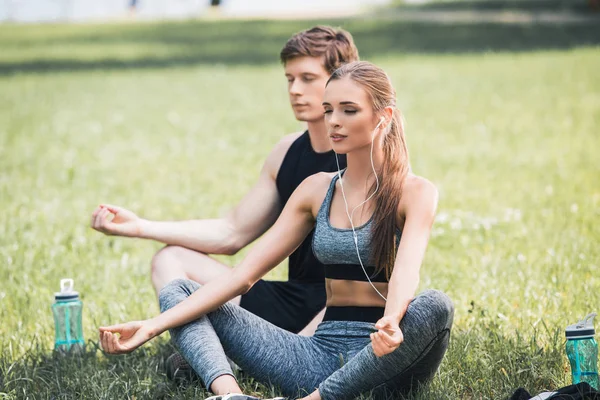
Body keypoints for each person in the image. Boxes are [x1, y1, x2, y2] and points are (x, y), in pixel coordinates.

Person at [99, 61, 455, 400]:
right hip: (316, 357)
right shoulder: (316, 190)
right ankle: (231, 394)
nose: (334, 121)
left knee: (435, 305)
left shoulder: (415, 192)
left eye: (349, 110)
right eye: (329, 109)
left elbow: (408, 269)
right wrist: (153, 325)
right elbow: (243, 277)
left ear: (383, 117)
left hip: (386, 362)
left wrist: (391, 321)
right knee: (180, 290)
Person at [90, 26, 359, 337]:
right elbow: (232, 231)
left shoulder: (359, 158)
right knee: (170, 258)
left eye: (307, 78)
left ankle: (267, 350)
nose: (294, 89)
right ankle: (210, 356)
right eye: (289, 79)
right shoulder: (286, 152)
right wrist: (140, 227)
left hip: (341, 310)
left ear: (339, 82)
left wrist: (306, 347)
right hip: (289, 301)